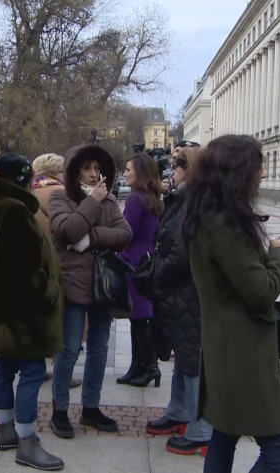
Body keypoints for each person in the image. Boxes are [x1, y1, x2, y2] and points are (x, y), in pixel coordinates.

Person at [182, 134, 280, 473]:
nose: (262, 175)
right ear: (238, 172)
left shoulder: (209, 215)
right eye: (257, 167)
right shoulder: (225, 223)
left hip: (226, 348)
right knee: (278, 451)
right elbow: (260, 290)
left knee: (224, 435)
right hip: (243, 354)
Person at [0, 153, 65, 471]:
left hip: (1, 309)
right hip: (24, 313)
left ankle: (5, 429)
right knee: (30, 373)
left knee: (4, 367)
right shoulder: (15, 211)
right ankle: (26, 440)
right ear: (22, 180)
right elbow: (28, 268)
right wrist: (50, 293)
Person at [47, 145, 132, 439]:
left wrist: (92, 238)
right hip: (72, 286)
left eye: (98, 169)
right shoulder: (60, 198)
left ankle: (91, 407)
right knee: (69, 350)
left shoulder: (109, 202)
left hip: (102, 286)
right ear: (75, 170)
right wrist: (92, 202)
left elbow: (125, 235)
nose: (95, 174)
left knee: (99, 349)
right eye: (88, 168)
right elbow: (68, 230)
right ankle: (59, 410)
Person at [143, 146, 213, 455]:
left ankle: (201, 428)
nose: (173, 172)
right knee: (184, 359)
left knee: (193, 361)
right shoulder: (183, 198)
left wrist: (158, 272)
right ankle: (179, 412)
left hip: (189, 294)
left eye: (179, 166)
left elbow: (182, 253)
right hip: (178, 294)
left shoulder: (196, 202)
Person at [31, 153, 82, 390]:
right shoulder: (61, 195)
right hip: (61, 264)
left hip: (33, 265)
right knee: (61, 321)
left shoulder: (29, 193)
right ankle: (62, 370)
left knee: (38, 317)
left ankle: (36, 367)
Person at [117, 154, 163, 388]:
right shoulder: (153, 197)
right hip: (147, 257)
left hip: (134, 258)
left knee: (139, 318)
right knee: (140, 317)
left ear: (140, 172)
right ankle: (139, 365)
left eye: (128, 170)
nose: (125, 173)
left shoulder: (136, 199)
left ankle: (149, 366)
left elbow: (127, 231)